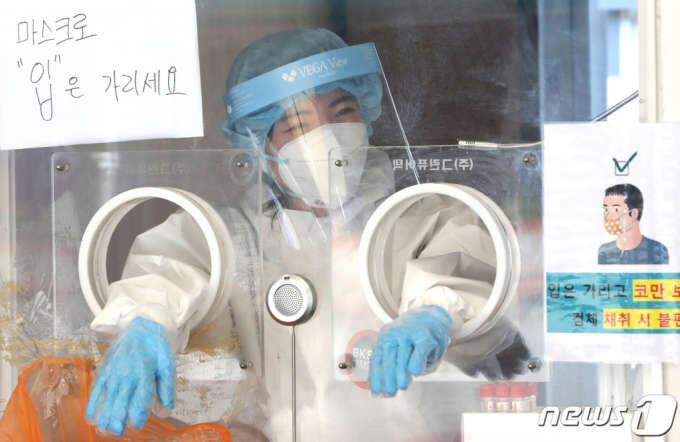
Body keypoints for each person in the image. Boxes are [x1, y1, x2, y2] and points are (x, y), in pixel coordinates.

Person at [84, 28, 529, 439]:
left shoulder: (418, 219)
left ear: (367, 116)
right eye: (297, 125)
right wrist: (144, 321)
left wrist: (437, 313)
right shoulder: (232, 238)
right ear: (260, 145)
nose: (328, 138)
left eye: (343, 112)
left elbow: (472, 281)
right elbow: (168, 269)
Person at [599, 183, 668, 265]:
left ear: (633, 214)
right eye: (606, 209)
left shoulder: (657, 250)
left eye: (616, 209)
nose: (607, 215)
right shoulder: (604, 251)